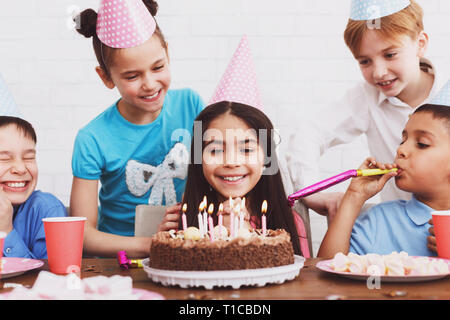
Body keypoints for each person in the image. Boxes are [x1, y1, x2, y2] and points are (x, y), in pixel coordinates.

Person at [286, 0, 445, 221]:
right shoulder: (365, 98)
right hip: (394, 239)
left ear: (420, 43)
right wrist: (311, 192)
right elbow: (309, 133)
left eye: (390, 55)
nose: (379, 72)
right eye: (364, 61)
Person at [70, 0, 204, 258]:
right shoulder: (92, 138)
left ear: (168, 54)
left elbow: (215, 169)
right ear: (106, 77)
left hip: (187, 252)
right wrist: (152, 244)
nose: (150, 84)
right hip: (121, 263)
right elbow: (83, 234)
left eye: (158, 67)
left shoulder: (191, 104)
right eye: (132, 76)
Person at [317, 101, 450, 258]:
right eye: (403, 141)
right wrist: (353, 197)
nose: (400, 149)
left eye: (422, 144)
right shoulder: (379, 221)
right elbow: (326, 269)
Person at [181, 101, 309, 256]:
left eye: (247, 149)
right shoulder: (182, 222)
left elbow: (299, 277)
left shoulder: (289, 222)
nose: (232, 162)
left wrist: (243, 231)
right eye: (215, 150)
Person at [0, 116, 67, 259]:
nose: (20, 168)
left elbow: (50, 276)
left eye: (29, 158)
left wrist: (5, 230)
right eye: (4, 159)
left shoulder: (48, 209)